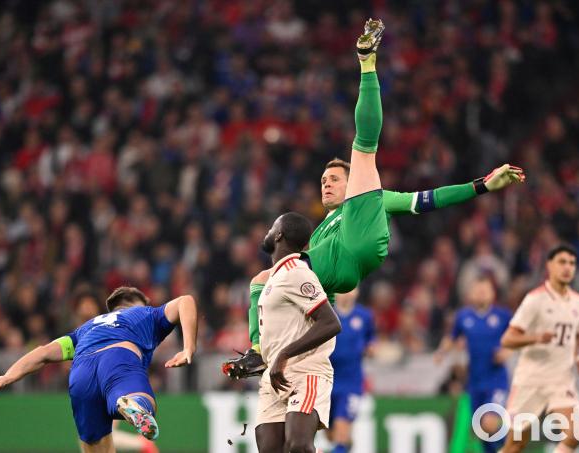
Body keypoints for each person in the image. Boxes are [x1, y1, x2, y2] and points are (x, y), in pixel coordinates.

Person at [225, 18, 526, 379]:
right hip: (344, 271)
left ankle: (367, 63)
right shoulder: (320, 232)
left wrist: (481, 186)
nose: (326, 184)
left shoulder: (372, 197)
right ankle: (258, 351)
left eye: (334, 178)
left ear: (353, 183)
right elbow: (322, 294)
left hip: (363, 239)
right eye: (323, 180)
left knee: (364, 148)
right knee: (260, 281)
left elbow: (428, 200)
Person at [0, 287, 198, 453]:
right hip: (118, 358)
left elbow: (43, 353)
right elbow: (185, 302)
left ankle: (125, 404)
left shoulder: (86, 328)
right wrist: (188, 347)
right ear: (135, 303)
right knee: (145, 403)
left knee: (96, 446)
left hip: (81, 371)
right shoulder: (145, 314)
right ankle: (132, 403)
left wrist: (5, 378)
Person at [254, 211, 342, 453]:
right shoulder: (276, 277)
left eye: (272, 227)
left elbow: (330, 323)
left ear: (279, 234)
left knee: (298, 447)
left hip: (305, 372)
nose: (268, 231)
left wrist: (284, 354)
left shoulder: (296, 271)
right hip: (275, 376)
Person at [499, 245, 579, 453]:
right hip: (531, 379)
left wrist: (578, 358)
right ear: (549, 266)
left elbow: (573, 338)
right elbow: (507, 339)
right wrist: (536, 337)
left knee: (574, 432)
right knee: (515, 446)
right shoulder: (535, 299)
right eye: (562, 262)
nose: (567, 267)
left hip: (561, 380)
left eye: (572, 263)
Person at [434, 276, 512, 453]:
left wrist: (508, 351)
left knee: (489, 423)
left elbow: (518, 336)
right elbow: (452, 337)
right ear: (470, 294)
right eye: (478, 290)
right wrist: (441, 352)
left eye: (485, 290)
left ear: (493, 294)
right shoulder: (464, 317)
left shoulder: (503, 316)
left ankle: (511, 446)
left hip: (496, 381)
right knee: (481, 431)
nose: (482, 294)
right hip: (475, 382)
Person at [327, 289, 374, 453]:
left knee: (342, 430)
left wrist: (370, 349)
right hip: (327, 381)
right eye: (344, 289)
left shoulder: (364, 316)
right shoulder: (327, 312)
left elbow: (370, 339)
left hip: (351, 382)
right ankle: (345, 446)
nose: (348, 293)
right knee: (330, 434)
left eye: (352, 288)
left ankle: (342, 445)